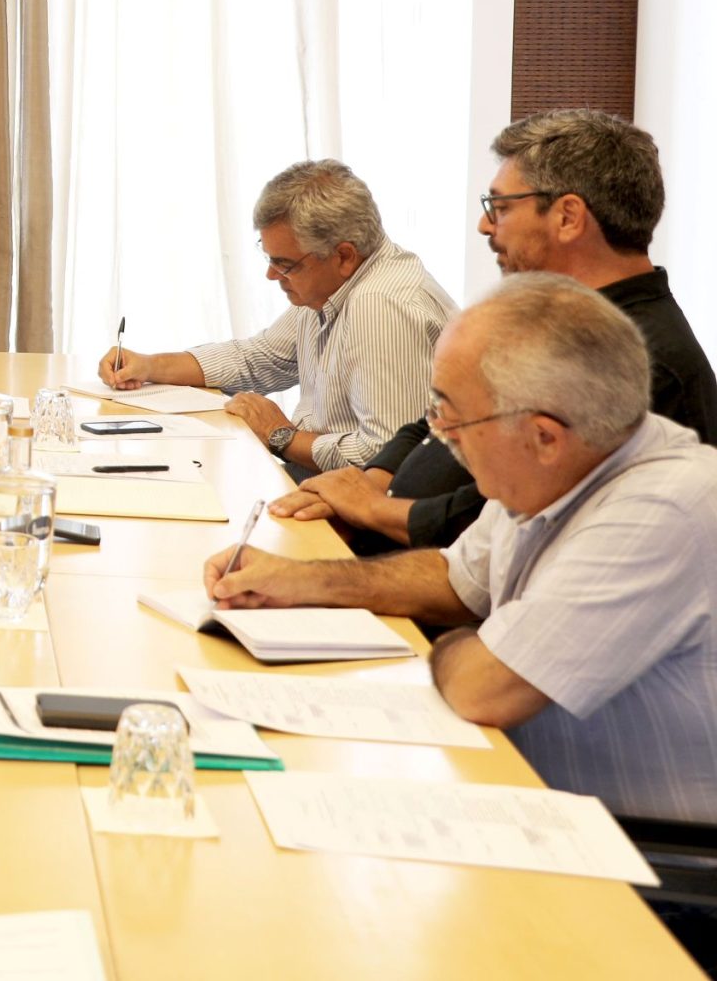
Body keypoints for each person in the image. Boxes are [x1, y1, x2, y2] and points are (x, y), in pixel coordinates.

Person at [205, 274, 717, 830]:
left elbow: (485, 689)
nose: (441, 434)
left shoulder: (662, 507)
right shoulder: (560, 462)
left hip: (641, 846)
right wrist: (304, 580)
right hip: (523, 786)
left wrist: (457, 641)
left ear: (544, 436)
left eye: (453, 416)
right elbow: (458, 579)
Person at [276, 110, 717, 550]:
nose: (485, 225)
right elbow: (435, 419)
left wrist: (374, 511)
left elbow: (505, 522)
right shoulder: (552, 315)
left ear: (568, 217)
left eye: (501, 208)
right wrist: (369, 484)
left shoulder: (646, 363)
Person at [99, 160, 453, 473]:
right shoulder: (334, 285)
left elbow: (385, 457)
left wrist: (280, 435)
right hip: (324, 481)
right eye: (269, 258)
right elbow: (259, 358)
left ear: (344, 256)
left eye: (285, 264)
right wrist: (148, 366)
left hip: (362, 508)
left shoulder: (380, 305)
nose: (271, 275)